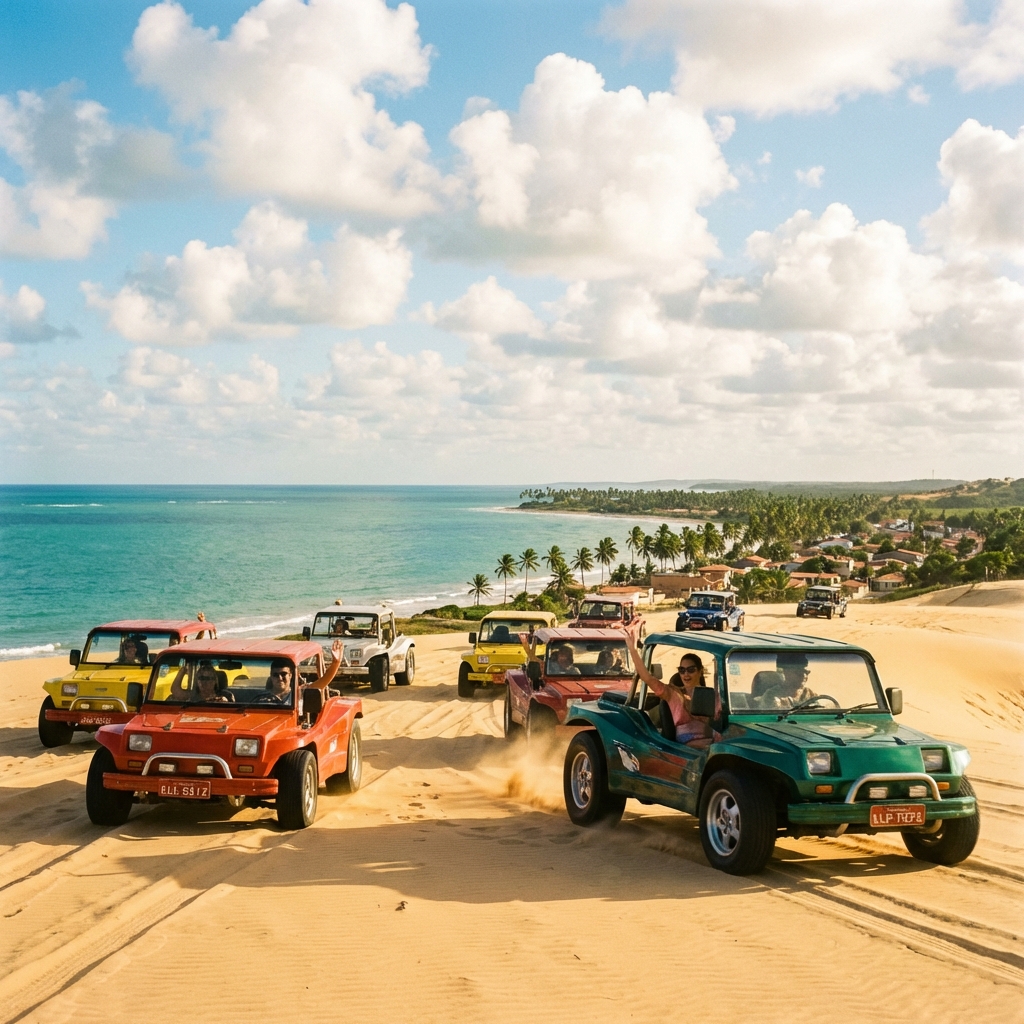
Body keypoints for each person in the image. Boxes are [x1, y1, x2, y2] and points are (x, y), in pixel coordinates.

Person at [627, 640, 721, 748]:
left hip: (712, 743)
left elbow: (721, 721)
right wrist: (632, 648)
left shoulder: (712, 695)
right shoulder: (673, 693)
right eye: (682, 670)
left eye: (691, 670)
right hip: (686, 747)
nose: (686, 674)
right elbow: (647, 678)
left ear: (700, 671)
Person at [265, 639, 344, 701]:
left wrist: (336, 663)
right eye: (275, 675)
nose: (280, 678)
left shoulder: (298, 693)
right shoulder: (262, 697)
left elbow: (322, 683)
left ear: (290, 675)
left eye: (283, 674)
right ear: (271, 677)